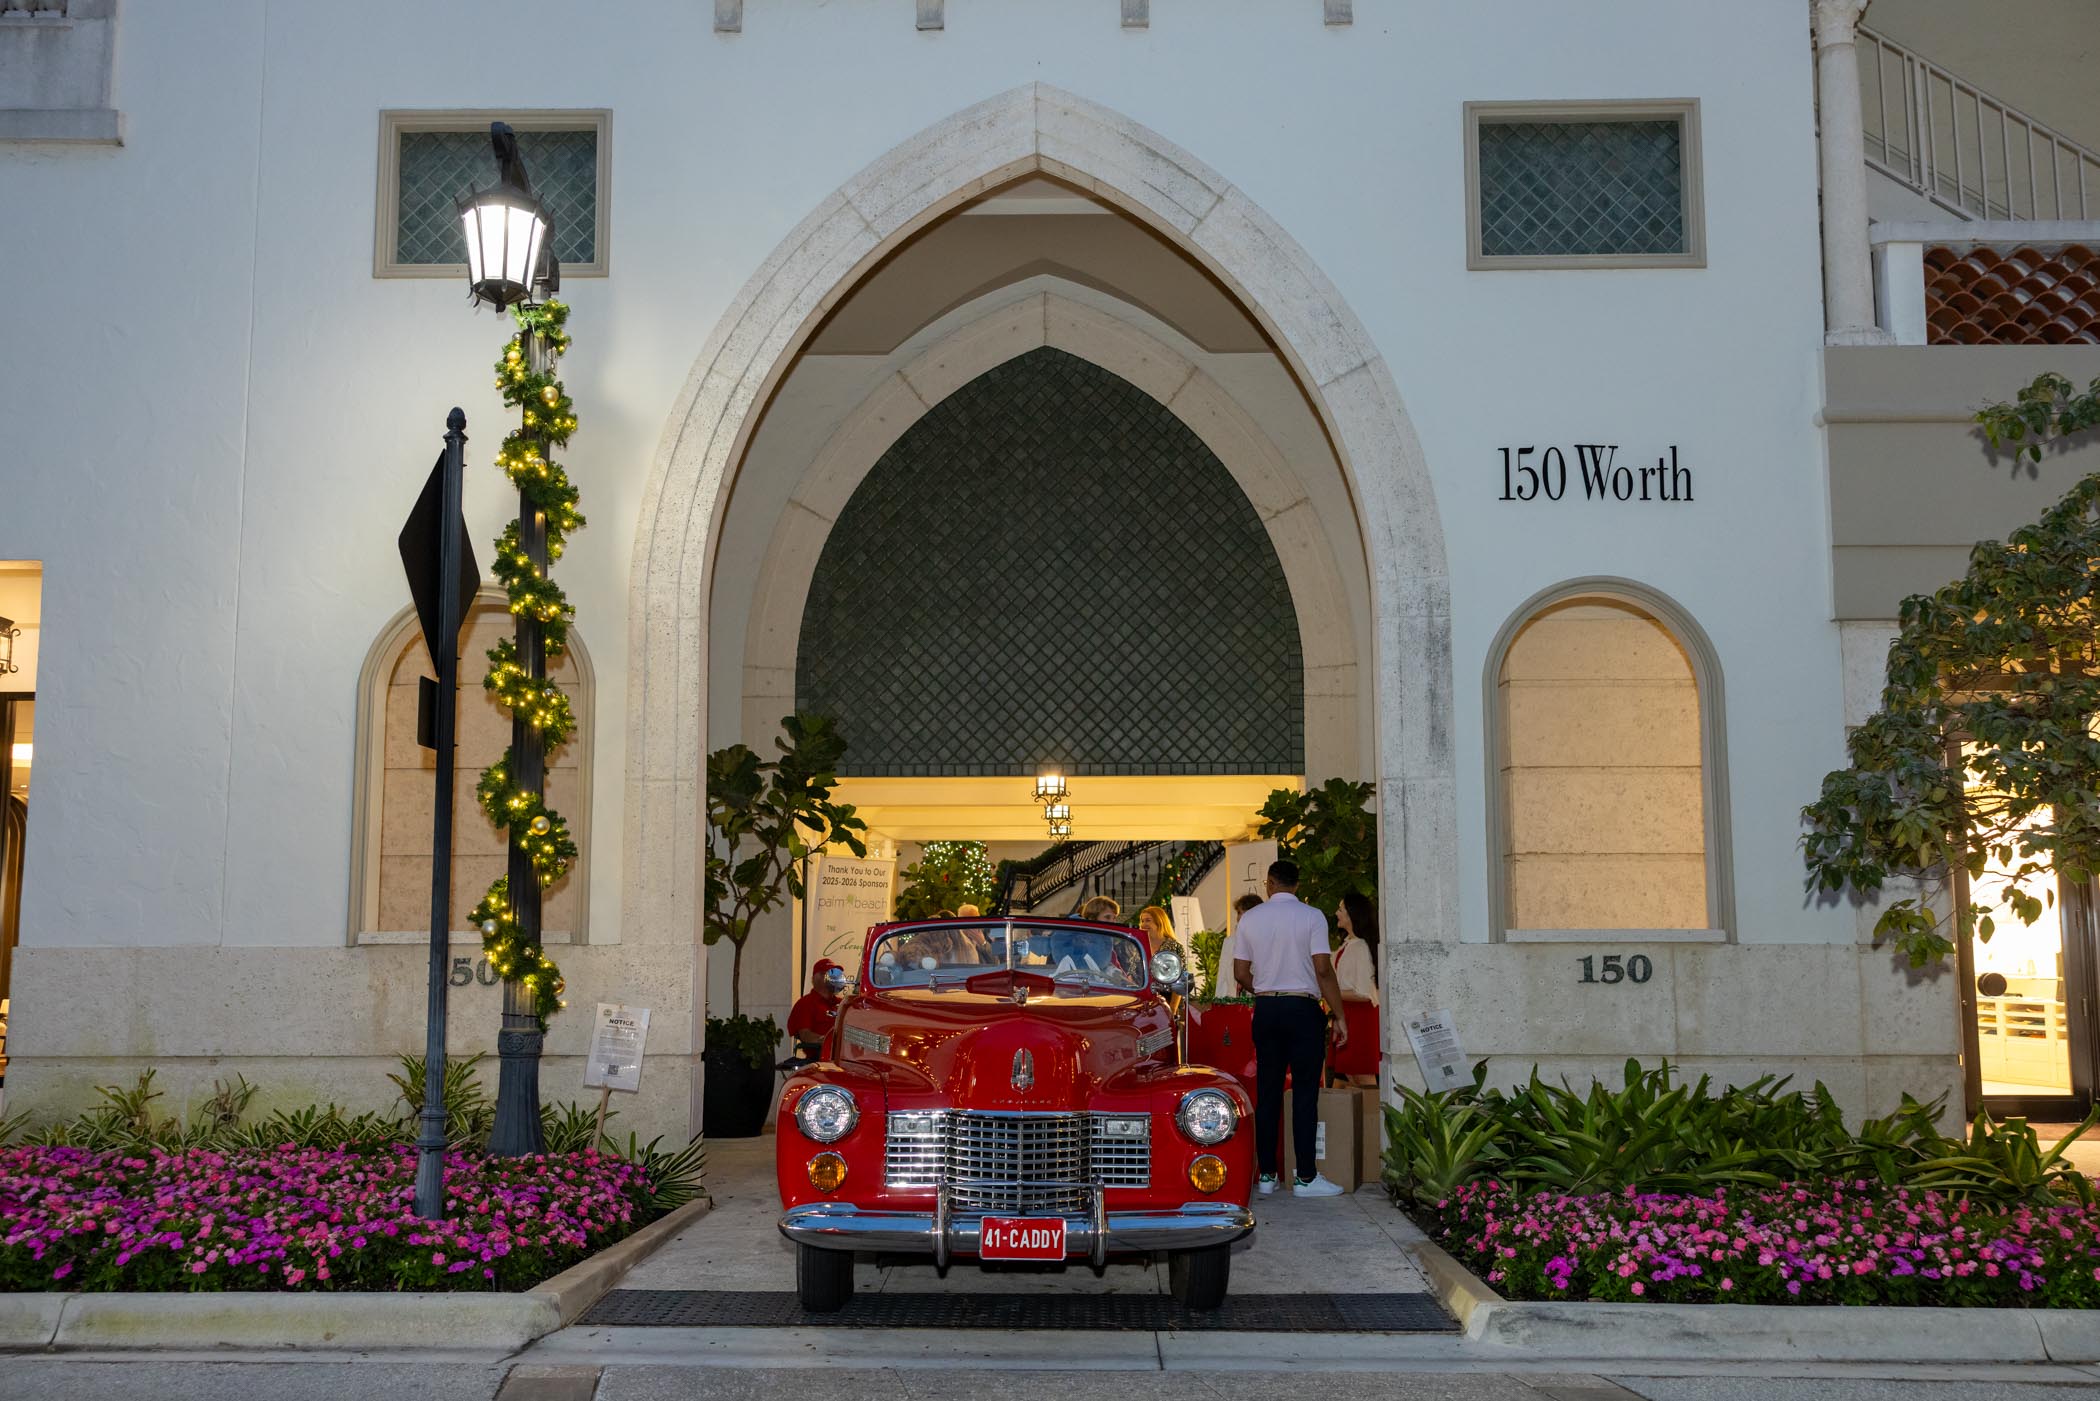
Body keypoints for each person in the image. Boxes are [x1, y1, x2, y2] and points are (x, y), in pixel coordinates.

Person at [1231, 859, 1349, 1198]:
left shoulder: (1250, 918)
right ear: (1297, 885)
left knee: (1267, 1091)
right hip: (1303, 1008)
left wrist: (1265, 989)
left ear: (1269, 884)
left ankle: (1267, 1175)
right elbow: (1323, 969)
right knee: (1305, 1092)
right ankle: (1306, 1177)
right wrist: (1339, 1014)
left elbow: (1240, 973)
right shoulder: (1311, 916)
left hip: (1267, 1009)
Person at [786, 959, 848, 1064]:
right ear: (815, 978)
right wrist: (830, 1042)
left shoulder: (843, 1003)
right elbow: (805, 1035)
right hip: (821, 1058)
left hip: (847, 1057)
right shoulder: (805, 1003)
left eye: (836, 975)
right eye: (828, 974)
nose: (834, 978)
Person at [1333, 892, 1379, 1001]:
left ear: (1352, 914)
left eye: (1340, 910)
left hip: (1358, 1010)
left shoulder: (1361, 947)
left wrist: (1329, 992)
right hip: (1346, 1008)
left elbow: (1365, 993)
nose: (1336, 913)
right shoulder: (1347, 943)